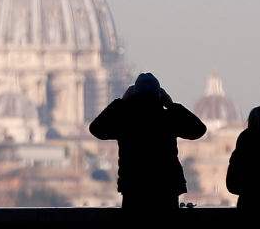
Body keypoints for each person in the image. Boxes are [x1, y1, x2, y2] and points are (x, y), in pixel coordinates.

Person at [89, 73, 207, 210]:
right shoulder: (168, 119)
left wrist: (121, 103)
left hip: (134, 191)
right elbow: (199, 129)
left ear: (133, 96)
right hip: (165, 191)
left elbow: (96, 128)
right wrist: (172, 105)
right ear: (159, 96)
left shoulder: (125, 121)